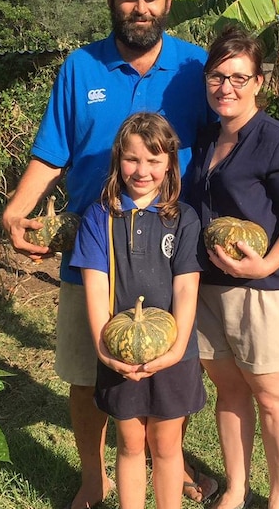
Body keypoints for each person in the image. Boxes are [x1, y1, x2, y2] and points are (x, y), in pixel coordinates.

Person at [1, 0, 217, 509]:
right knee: (85, 371)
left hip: (172, 247)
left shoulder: (195, 69)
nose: (139, 5)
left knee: (171, 371)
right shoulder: (81, 67)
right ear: (112, 0)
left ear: (167, 1)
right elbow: (53, 152)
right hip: (92, 245)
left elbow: (228, 143)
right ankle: (96, 479)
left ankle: (167, 462)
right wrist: (16, 209)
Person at [186, 27, 279, 509]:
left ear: (259, 81)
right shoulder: (205, 139)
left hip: (266, 291)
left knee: (272, 396)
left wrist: (263, 265)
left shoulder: (277, 142)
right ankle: (237, 489)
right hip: (209, 289)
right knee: (229, 392)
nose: (227, 87)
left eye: (239, 77)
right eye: (218, 76)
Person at [72, 113, 206, 509]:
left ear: (169, 164)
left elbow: (186, 287)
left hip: (174, 353)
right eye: (132, 160)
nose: (142, 170)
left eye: (153, 161)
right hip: (119, 352)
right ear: (118, 160)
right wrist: (103, 348)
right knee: (130, 443)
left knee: (166, 444)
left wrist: (177, 348)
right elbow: (95, 287)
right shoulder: (100, 217)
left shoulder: (184, 218)